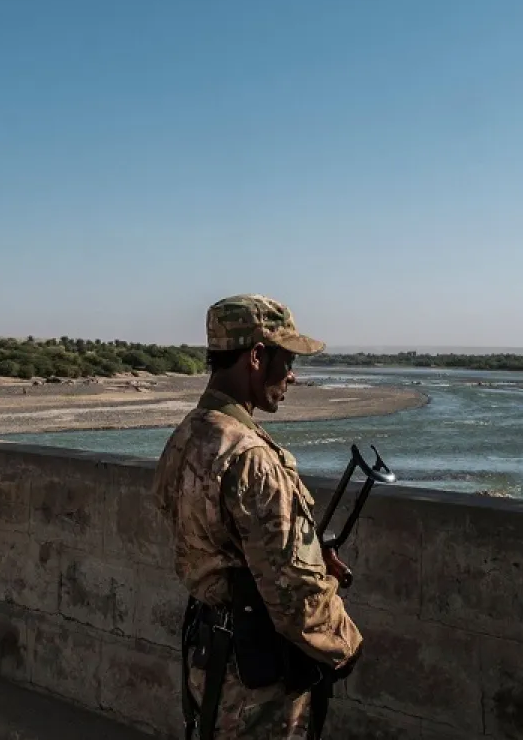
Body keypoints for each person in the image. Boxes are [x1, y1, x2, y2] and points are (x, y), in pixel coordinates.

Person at [153, 295, 361, 740]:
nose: (292, 375)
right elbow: (292, 594)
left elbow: (216, 542)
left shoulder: (189, 434)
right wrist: (344, 645)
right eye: (286, 360)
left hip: (210, 658)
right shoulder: (249, 457)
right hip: (257, 680)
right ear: (255, 356)